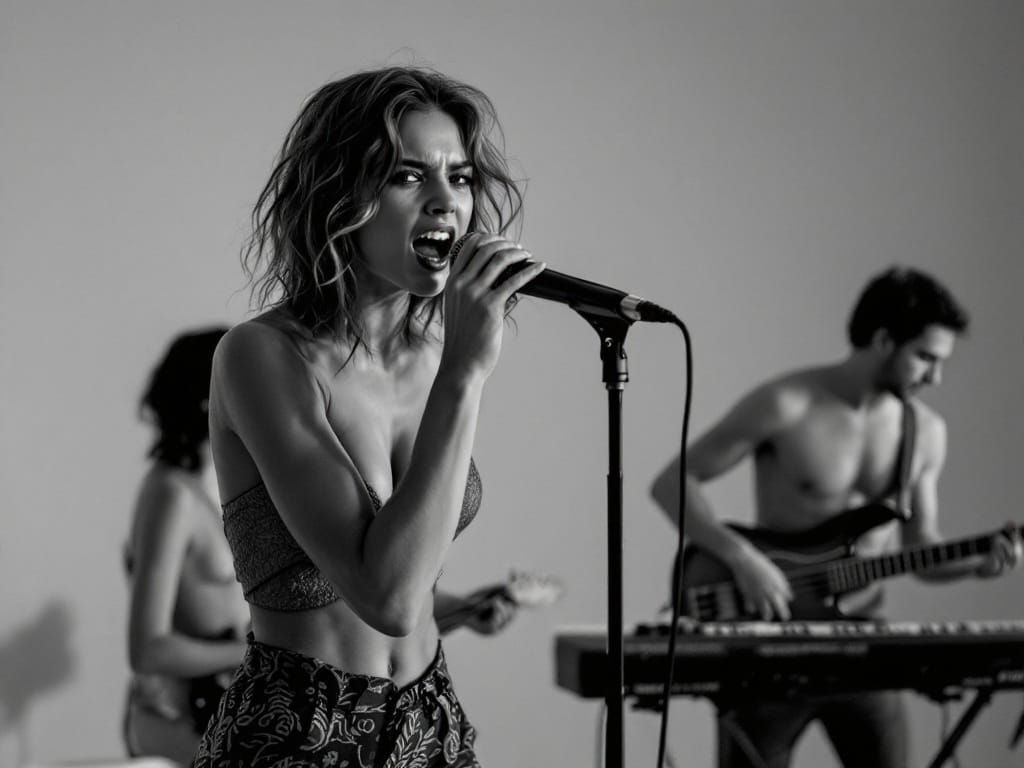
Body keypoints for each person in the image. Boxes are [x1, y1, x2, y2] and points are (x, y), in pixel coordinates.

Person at [194, 66, 545, 767]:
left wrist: (467, 608)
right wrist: (466, 376)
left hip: (430, 720)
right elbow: (383, 596)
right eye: (409, 177)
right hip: (299, 734)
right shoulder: (263, 356)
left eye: (463, 178)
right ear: (340, 195)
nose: (447, 202)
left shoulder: (441, 349)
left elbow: (410, 582)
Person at [650, 266, 1022, 768]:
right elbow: (672, 481)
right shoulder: (787, 403)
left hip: (863, 640)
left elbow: (921, 553)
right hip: (773, 642)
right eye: (926, 358)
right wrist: (742, 559)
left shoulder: (927, 433)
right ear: (884, 339)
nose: (936, 377)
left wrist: (979, 563)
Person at [123, 328, 250, 765]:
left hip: (232, 700)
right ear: (208, 397)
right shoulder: (170, 494)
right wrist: (260, 652)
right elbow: (148, 649)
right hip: (177, 713)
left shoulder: (237, 486)